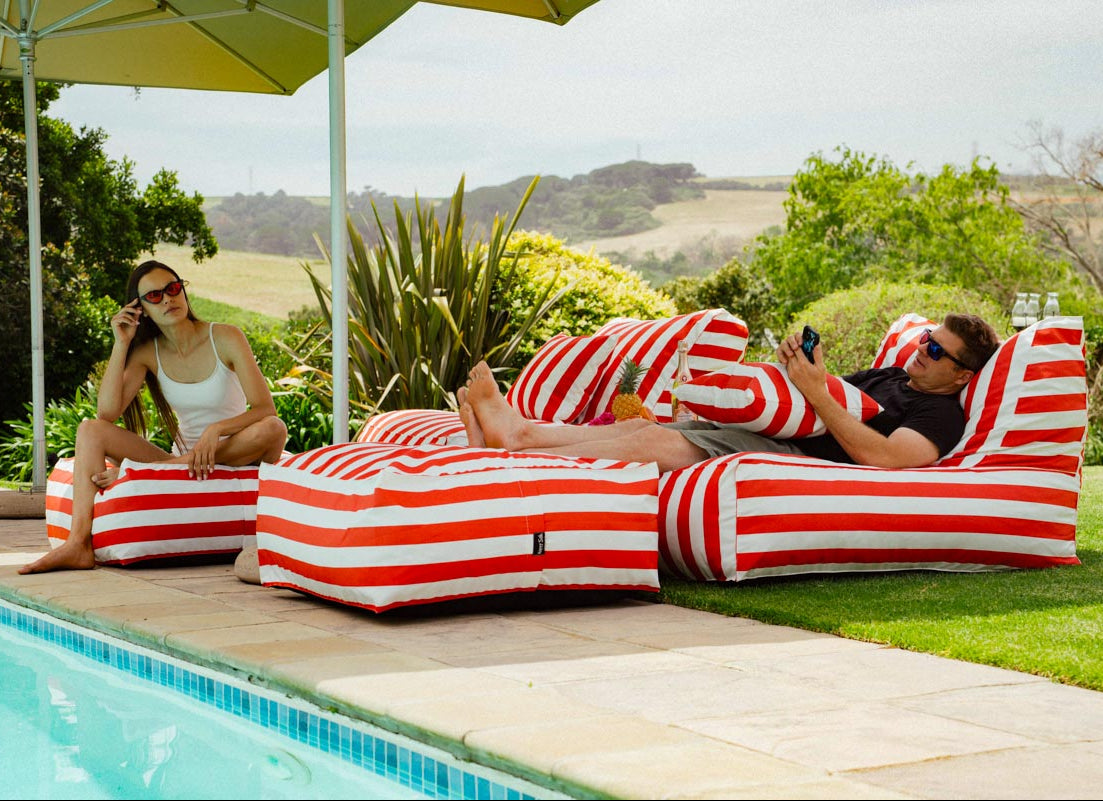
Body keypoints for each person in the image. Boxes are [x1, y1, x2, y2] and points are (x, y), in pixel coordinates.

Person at [456, 313, 1001, 474]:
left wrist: (815, 391)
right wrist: (804, 375)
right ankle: (520, 432)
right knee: (644, 427)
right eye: (927, 338)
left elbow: (886, 458)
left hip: (798, 457)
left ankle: (517, 457)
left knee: (659, 447)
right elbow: (826, 400)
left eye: (937, 350)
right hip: (778, 435)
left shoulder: (939, 411)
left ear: (961, 376)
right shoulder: (888, 377)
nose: (922, 348)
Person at [19, 260, 287, 574]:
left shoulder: (226, 337)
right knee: (91, 430)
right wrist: (122, 343)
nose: (168, 299)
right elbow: (106, 413)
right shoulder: (150, 352)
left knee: (273, 428)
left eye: (173, 289)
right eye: (155, 296)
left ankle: (146, 472)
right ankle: (78, 543)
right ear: (141, 308)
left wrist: (217, 430)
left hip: (238, 453)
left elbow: (264, 409)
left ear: (183, 292)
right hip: (181, 459)